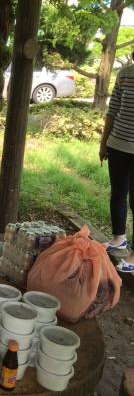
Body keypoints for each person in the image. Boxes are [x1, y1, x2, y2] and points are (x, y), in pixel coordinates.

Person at [100, 51, 134, 273]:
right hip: (117, 145)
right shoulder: (125, 75)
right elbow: (112, 111)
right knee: (118, 194)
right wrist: (104, 142)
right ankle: (118, 238)